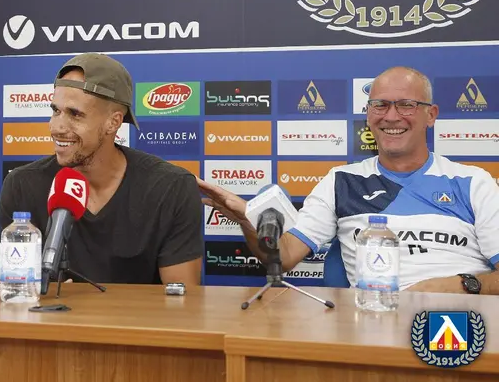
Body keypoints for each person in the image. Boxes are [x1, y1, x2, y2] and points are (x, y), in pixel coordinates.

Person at [199, 66, 499, 294]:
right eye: (380, 105)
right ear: (368, 115)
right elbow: (284, 256)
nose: (391, 116)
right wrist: (247, 219)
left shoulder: (473, 182)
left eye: (406, 105)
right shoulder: (341, 181)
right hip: (374, 321)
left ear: (431, 115)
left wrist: (462, 285)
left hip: (460, 322)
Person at [0, 53, 203, 285]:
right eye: (56, 111)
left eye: (75, 114)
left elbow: (180, 299)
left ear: (113, 122)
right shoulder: (22, 185)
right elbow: (18, 290)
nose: (57, 127)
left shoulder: (171, 188)